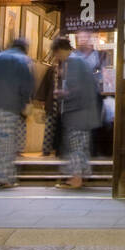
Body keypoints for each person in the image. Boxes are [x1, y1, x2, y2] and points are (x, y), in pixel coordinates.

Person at [0, 38, 34, 188]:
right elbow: (26, 86)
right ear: (24, 49)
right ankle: (4, 178)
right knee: (6, 142)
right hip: (9, 106)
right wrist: (24, 105)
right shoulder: (22, 60)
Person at [53, 36, 101, 189]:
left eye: (56, 54)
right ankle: (80, 177)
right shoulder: (81, 61)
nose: (57, 58)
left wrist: (61, 93)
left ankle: (76, 179)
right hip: (86, 113)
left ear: (59, 51)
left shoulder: (73, 62)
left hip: (77, 114)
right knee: (81, 146)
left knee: (75, 146)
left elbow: (75, 90)